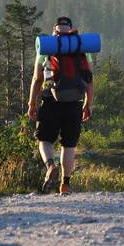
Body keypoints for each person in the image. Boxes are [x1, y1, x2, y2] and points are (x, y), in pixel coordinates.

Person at [27, 16, 94, 195]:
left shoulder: (47, 46)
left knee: (44, 139)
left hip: (50, 100)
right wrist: (88, 103)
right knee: (69, 145)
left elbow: (36, 78)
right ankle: (65, 184)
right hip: (74, 102)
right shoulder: (80, 47)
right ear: (71, 28)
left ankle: (50, 166)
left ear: (54, 29)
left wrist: (32, 103)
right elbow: (89, 79)